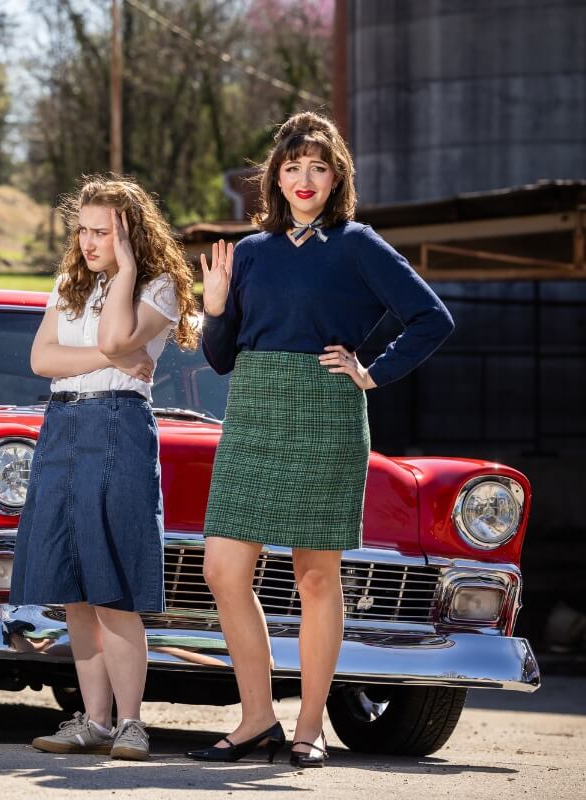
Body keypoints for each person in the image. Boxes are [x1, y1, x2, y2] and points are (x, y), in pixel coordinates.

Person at [186, 112, 454, 767]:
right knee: (222, 568)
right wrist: (216, 305)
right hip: (252, 410)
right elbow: (220, 359)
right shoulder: (247, 253)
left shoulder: (358, 244)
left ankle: (309, 728)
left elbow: (431, 317)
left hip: (327, 411)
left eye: (318, 167)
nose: (304, 179)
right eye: (292, 166)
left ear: (337, 178)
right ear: (274, 177)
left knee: (315, 576)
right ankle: (256, 720)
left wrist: (371, 371)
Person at [11, 175, 198, 761]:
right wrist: (107, 357)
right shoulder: (69, 283)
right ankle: (93, 720)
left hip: (119, 424)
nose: (90, 242)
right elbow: (43, 358)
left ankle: (132, 723)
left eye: (104, 232)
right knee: (75, 588)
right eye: (84, 231)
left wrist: (121, 274)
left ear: (130, 233)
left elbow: (122, 332)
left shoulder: (157, 286)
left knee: (112, 582)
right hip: (62, 425)